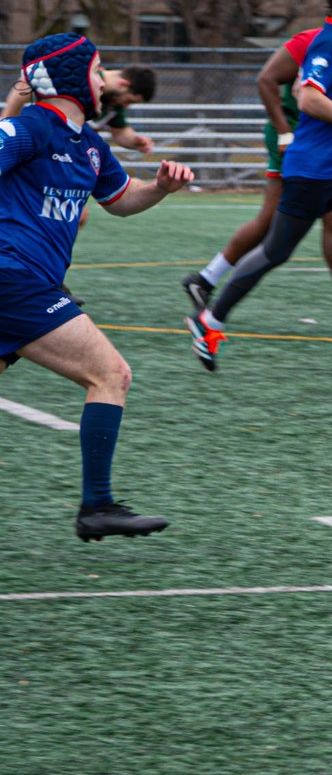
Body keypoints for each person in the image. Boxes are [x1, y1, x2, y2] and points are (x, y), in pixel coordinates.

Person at [1, 35, 193, 540]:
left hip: (26, 282)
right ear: (70, 77)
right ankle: (97, 505)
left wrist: (160, 188)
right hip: (14, 279)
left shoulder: (89, 143)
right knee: (111, 374)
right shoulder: (33, 127)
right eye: (98, 68)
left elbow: (122, 198)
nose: (104, 80)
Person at [185, 0, 332, 369]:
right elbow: (309, 99)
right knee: (275, 252)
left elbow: (320, 94)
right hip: (312, 171)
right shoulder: (330, 44)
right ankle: (209, 321)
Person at [7, 62, 160, 154]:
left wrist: (135, 141)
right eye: (129, 100)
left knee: (78, 207)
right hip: (38, 148)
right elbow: (25, 83)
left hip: (66, 156)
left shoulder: (113, 102)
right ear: (123, 85)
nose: (126, 106)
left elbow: (120, 132)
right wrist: (6, 121)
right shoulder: (79, 74)